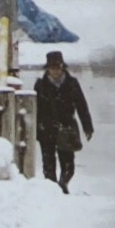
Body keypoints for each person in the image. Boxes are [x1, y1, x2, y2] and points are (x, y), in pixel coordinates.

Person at [30, 49, 93, 192]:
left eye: (58, 67)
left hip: (67, 127)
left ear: (63, 67)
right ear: (48, 69)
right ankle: (51, 189)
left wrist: (87, 127)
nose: (56, 71)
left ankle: (63, 184)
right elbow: (35, 109)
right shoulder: (40, 85)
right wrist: (36, 128)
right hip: (46, 129)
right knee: (48, 162)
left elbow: (81, 106)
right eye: (52, 68)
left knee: (68, 164)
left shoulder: (72, 83)